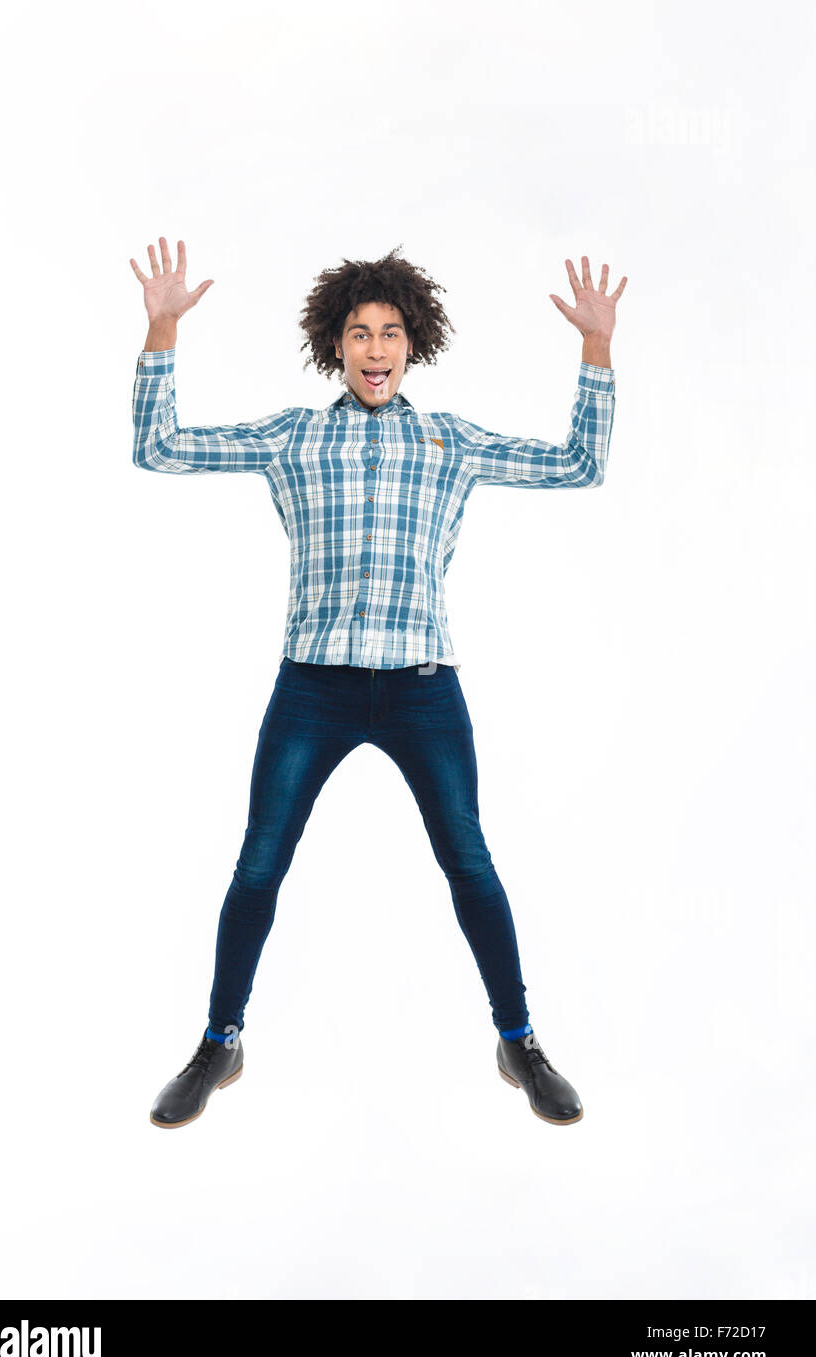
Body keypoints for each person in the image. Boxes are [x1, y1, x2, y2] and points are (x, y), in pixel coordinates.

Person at [129, 237, 626, 1129]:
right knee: (258, 865)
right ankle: (219, 1041)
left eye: (390, 331)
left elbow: (578, 465)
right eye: (359, 333)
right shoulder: (295, 437)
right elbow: (159, 448)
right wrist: (162, 331)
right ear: (337, 346)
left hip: (422, 690)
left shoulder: (450, 441)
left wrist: (595, 350)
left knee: (469, 862)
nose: (375, 349)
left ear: (412, 343)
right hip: (312, 687)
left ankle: (519, 1040)